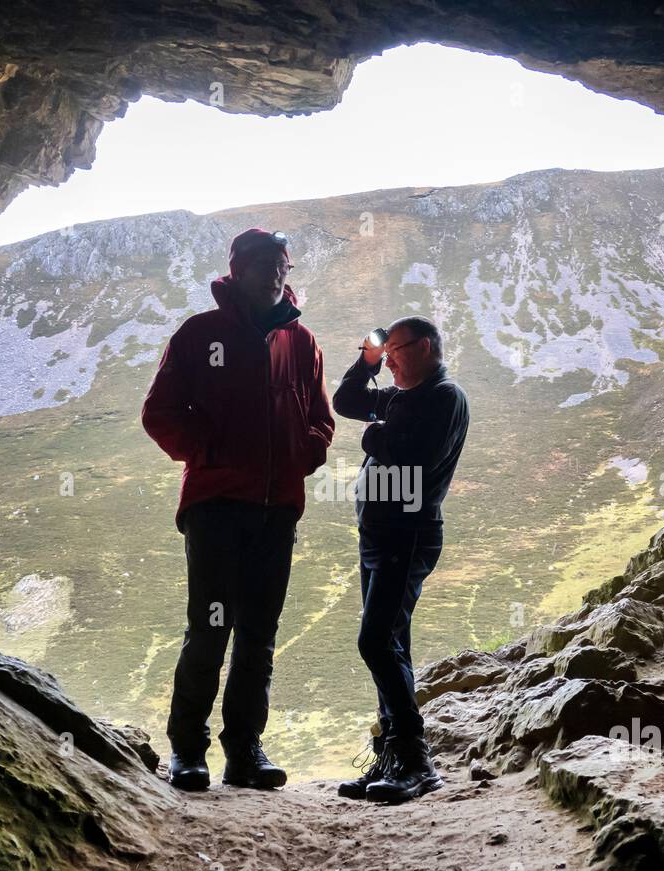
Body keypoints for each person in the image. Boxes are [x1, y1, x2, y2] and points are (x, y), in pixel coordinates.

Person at [141, 228, 335, 791]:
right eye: (261, 265)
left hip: (278, 510)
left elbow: (321, 416)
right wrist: (208, 451)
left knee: (259, 632)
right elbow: (160, 412)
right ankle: (187, 750)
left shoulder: (302, 342)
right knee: (210, 626)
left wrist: (309, 450)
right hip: (217, 505)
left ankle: (245, 751)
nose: (273, 273)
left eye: (280, 264)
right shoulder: (202, 334)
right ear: (237, 270)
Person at [331, 316, 469, 803]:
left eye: (394, 349)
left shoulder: (444, 397)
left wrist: (374, 436)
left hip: (407, 536)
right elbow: (345, 402)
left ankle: (415, 759)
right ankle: (392, 754)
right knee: (392, 643)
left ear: (424, 346)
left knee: (374, 641)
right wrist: (365, 361)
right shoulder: (399, 395)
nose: (387, 358)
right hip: (378, 535)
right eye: (383, 351)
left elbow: (413, 459)